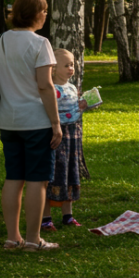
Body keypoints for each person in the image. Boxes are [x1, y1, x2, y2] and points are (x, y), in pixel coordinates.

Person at [0, 0, 62, 251]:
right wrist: (56, 123)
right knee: (37, 180)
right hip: (35, 121)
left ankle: (12, 238)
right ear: (34, 14)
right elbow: (45, 86)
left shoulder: (1, 40)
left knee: (14, 177)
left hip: (8, 120)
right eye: (43, 10)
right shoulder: (40, 43)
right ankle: (34, 239)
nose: (45, 14)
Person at [43, 49, 89, 232]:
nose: (71, 68)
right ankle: (46, 218)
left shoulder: (71, 87)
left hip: (73, 136)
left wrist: (83, 106)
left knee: (71, 171)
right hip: (57, 136)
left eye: (73, 64)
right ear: (53, 68)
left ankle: (67, 215)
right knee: (53, 174)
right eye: (66, 65)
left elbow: (73, 110)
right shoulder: (51, 89)